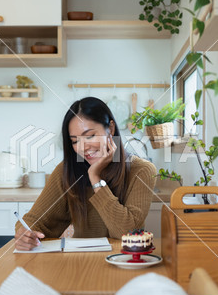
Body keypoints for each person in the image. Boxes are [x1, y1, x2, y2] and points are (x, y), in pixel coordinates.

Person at [14, 97, 156, 251]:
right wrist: (24, 234)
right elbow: (35, 221)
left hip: (126, 262)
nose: (83, 147)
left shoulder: (142, 170)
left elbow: (127, 234)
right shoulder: (67, 170)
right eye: (75, 141)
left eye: (90, 136)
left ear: (111, 128)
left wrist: (95, 178)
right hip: (81, 262)